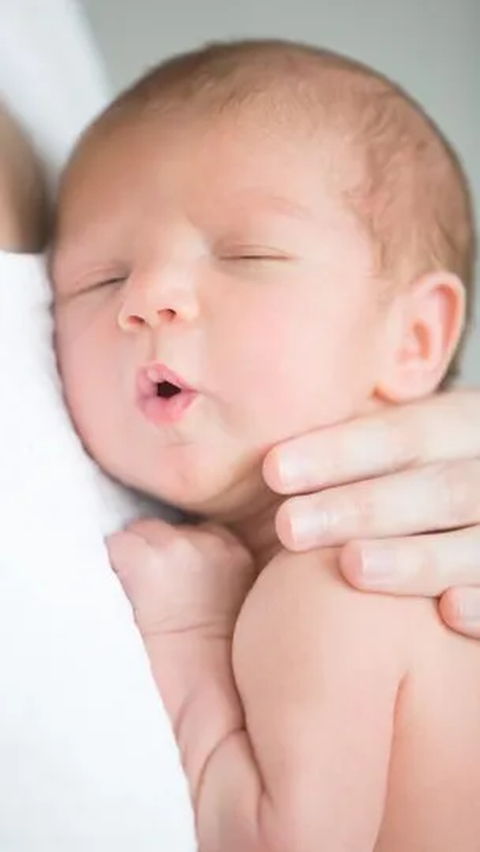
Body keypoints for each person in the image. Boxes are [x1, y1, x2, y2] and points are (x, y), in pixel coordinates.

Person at [51, 39, 480, 849]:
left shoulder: (339, 577)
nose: (148, 299)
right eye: (99, 277)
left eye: (249, 256)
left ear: (414, 337)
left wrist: (194, 637)